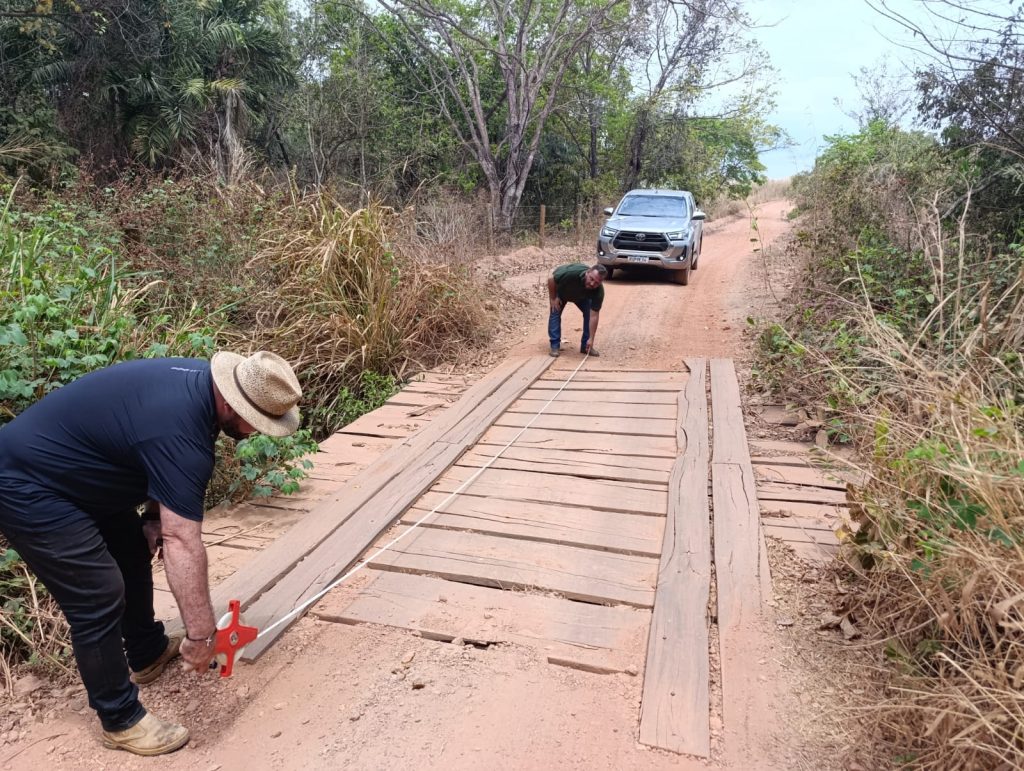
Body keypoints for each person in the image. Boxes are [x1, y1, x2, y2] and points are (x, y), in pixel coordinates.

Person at [0, 351, 302, 756]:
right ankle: (119, 720)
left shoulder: (200, 390)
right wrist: (200, 635)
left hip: (80, 474)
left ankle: (146, 652)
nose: (257, 432)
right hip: (25, 485)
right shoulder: (181, 433)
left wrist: (152, 516)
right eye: (257, 422)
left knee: (131, 545)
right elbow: (182, 540)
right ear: (231, 402)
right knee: (98, 593)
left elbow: (149, 454)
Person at [547, 262, 607, 357]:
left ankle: (586, 347)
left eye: (596, 283)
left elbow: (594, 316)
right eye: (591, 279)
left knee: (588, 313)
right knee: (555, 311)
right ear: (587, 272)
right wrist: (553, 298)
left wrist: (591, 338)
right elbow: (551, 279)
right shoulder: (571, 273)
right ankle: (554, 346)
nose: (592, 283)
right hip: (561, 291)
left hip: (581, 297)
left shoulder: (598, 291)